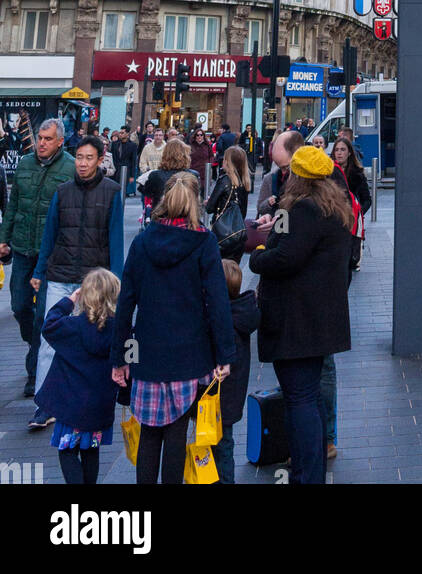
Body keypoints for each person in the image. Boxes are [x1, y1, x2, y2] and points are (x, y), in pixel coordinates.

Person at [110, 173, 235, 485]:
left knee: (149, 434)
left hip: (147, 354)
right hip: (189, 354)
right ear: (195, 203)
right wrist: (224, 354)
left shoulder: (141, 242)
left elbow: (125, 303)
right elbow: (218, 303)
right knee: (177, 434)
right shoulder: (204, 242)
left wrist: (120, 358)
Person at [249, 146, 352, 484]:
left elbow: (284, 259)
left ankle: (307, 475)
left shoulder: (305, 209)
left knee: (300, 398)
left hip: (298, 321)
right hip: (318, 319)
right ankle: (311, 471)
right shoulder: (332, 207)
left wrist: (261, 251)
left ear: (299, 177)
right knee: (308, 397)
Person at [30, 136, 124, 428]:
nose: (82, 163)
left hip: (94, 281)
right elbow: (50, 234)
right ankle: (43, 405)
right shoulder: (62, 191)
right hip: (60, 273)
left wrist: (116, 280)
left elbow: (115, 239)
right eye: (79, 157)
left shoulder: (112, 192)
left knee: (91, 339)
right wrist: (39, 270)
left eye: (88, 158)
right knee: (48, 340)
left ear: (99, 160)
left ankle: (83, 398)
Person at [0, 117, 74, 400]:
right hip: (21, 247)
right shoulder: (25, 163)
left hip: (51, 253)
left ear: (59, 142)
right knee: (19, 306)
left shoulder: (69, 167)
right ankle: (35, 344)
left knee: (44, 313)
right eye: (40, 138)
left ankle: (35, 373)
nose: (41, 143)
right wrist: (3, 237)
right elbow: (14, 202)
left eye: (47, 139)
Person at [35, 268, 120, 485]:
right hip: (99, 408)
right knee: (91, 450)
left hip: (69, 407)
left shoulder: (71, 327)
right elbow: (134, 352)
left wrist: (68, 301)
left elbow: (49, 325)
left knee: (68, 451)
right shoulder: (121, 331)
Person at [211, 259, 260, 484]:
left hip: (217, 396)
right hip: (233, 397)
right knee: (226, 443)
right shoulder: (243, 313)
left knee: (217, 447)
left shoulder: (222, 321)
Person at [206, 145, 251, 264]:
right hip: (238, 234)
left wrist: (210, 201)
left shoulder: (225, 180)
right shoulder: (244, 182)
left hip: (223, 236)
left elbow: (209, 208)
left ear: (228, 162)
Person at [256, 130, 304, 215]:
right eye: (280, 167)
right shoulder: (270, 179)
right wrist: (269, 202)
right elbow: (260, 207)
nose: (284, 172)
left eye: (287, 167)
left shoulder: (305, 180)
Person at [141, 137, 195, 212]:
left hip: (161, 216)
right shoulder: (193, 175)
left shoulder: (155, 175)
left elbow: (147, 192)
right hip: (185, 216)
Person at [110, 126, 137, 195]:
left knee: (122, 192)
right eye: (120, 133)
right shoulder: (115, 144)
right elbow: (112, 157)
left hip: (125, 171)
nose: (120, 134)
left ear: (127, 134)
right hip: (115, 171)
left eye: (122, 133)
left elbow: (133, 161)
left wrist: (132, 176)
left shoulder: (133, 145)